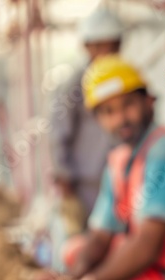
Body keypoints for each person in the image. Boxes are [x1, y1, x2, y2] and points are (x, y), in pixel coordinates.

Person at [65, 55, 165, 280]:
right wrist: (72, 276)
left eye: (127, 104)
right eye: (109, 112)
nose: (120, 119)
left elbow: (147, 246)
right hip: (158, 268)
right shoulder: (119, 160)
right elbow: (100, 236)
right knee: (73, 252)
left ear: (148, 100)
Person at [48, 8, 123, 272]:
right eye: (100, 45)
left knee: (109, 246)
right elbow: (58, 132)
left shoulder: (122, 78)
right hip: (81, 184)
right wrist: (64, 175)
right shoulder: (74, 84)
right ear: (87, 46)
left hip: (115, 179)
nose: (106, 51)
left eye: (112, 45)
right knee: (77, 247)